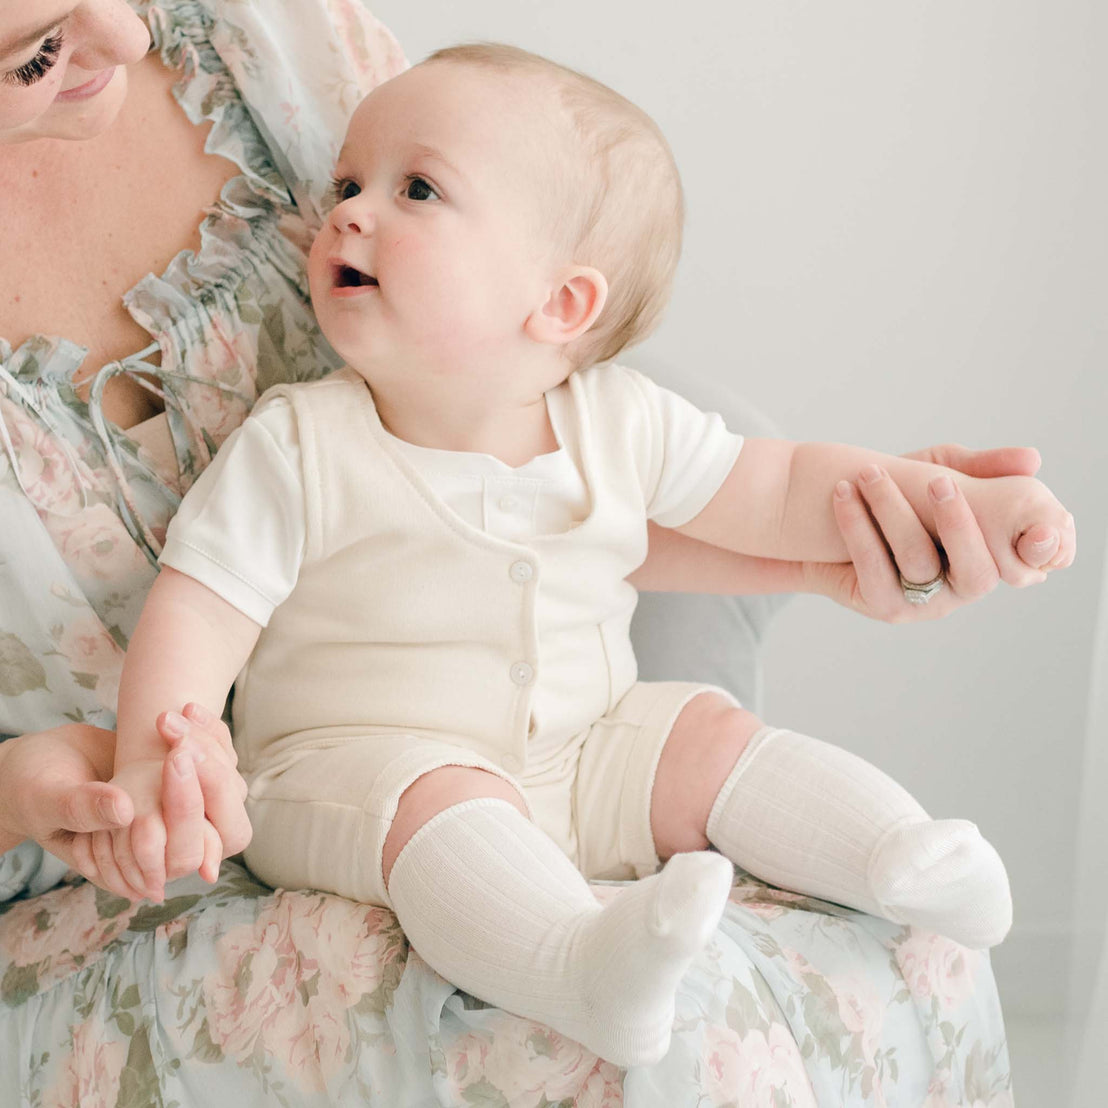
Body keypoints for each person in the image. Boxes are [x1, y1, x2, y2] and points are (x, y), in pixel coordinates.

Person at [99, 44, 1073, 1068]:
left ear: (561, 303)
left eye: (415, 188)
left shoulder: (618, 419)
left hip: (578, 746)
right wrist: (162, 750)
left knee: (701, 727)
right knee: (447, 798)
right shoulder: (301, 442)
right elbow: (201, 606)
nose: (347, 210)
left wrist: (950, 502)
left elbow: (784, 490)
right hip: (351, 771)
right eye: (348, 182)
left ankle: (896, 851)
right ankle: (576, 964)